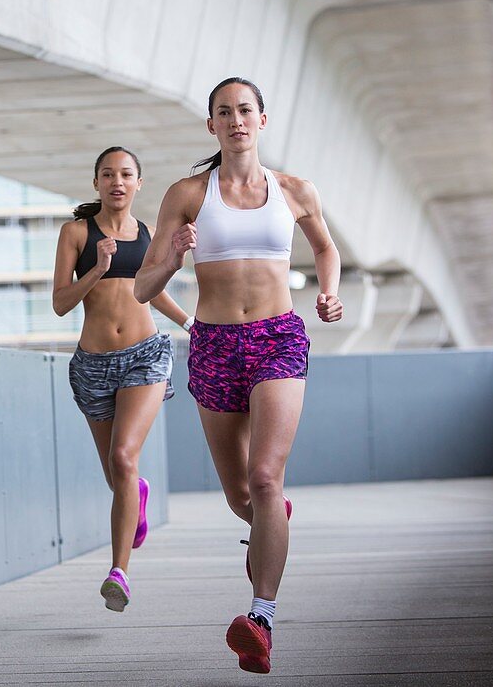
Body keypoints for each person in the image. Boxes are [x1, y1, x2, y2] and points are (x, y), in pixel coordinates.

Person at [134, 77, 343, 673]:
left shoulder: (295, 189)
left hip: (277, 337)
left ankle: (261, 618)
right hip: (214, 344)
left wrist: (327, 294)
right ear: (212, 126)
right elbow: (144, 289)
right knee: (240, 496)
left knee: (266, 478)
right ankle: (269, 524)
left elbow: (325, 249)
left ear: (262, 119)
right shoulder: (187, 194)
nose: (236, 120)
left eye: (245, 110)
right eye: (223, 112)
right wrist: (174, 256)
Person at [52, 146, 191, 613]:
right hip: (92, 364)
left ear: (138, 183)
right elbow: (60, 303)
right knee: (119, 475)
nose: (117, 181)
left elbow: (154, 295)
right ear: (96, 183)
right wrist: (97, 269)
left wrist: (193, 325)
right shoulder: (75, 233)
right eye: (108, 174)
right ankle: (137, 493)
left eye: (126, 174)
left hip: (145, 355)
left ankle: (119, 573)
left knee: (123, 456)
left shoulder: (149, 234)